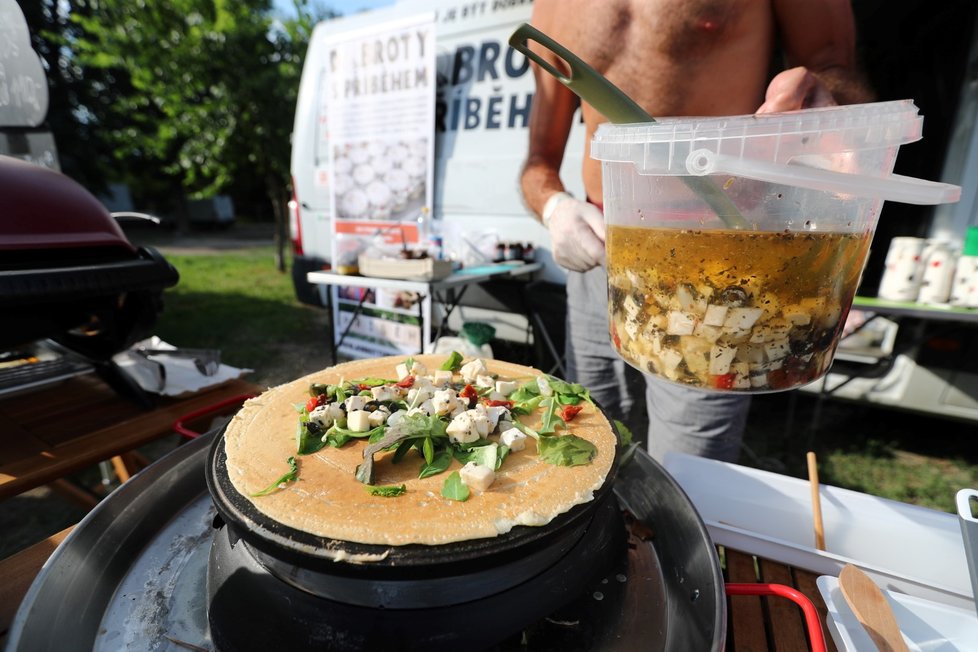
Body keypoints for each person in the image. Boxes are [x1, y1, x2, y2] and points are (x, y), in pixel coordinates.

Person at [519, 0, 874, 462]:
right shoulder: (551, 7)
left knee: (691, 469)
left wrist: (826, 105)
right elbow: (538, 161)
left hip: (718, 263)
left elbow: (835, 68)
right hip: (598, 252)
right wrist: (554, 208)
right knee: (588, 437)